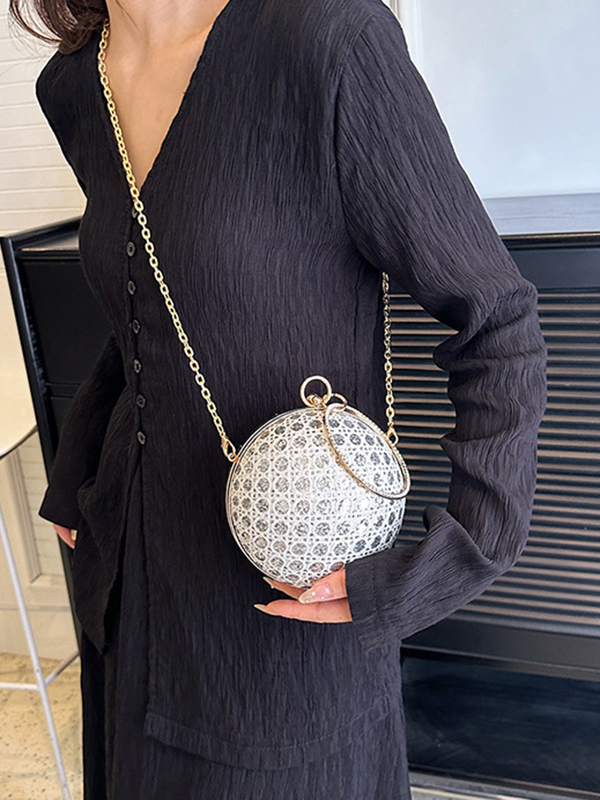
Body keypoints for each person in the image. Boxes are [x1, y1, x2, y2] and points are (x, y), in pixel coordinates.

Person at [9, 0, 548, 797]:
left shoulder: (327, 43)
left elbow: (497, 322)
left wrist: (454, 558)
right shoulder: (71, 85)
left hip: (285, 594)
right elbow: (148, 306)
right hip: (128, 573)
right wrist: (77, 468)